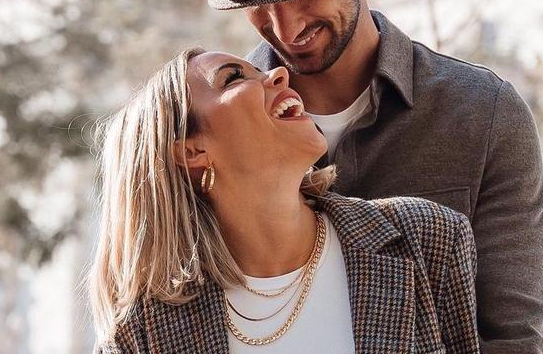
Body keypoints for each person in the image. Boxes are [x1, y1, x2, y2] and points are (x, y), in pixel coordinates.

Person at [194, 0, 543, 352]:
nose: (286, 29)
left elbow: (513, 340)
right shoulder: (205, 134)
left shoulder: (484, 116)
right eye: (257, 2)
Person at [88, 48, 479, 353]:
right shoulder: (142, 333)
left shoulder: (427, 239)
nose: (278, 73)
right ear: (191, 152)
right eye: (234, 78)